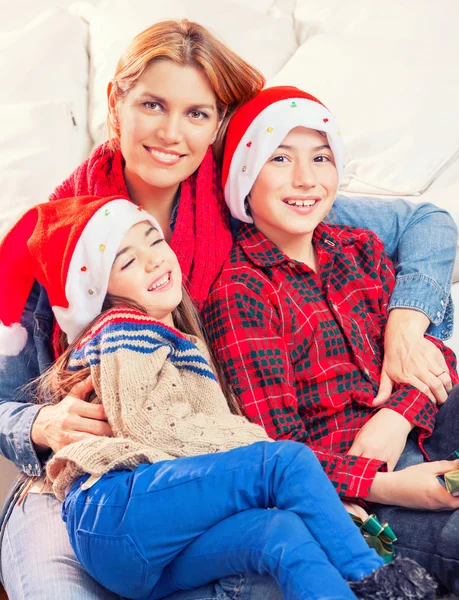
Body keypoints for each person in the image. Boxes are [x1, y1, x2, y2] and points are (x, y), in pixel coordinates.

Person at [0, 19, 456, 600]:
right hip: (77, 480)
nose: (171, 132)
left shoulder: (253, 197)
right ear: (117, 101)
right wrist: (38, 422)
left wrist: (406, 323)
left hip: (218, 469)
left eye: (196, 113)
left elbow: (426, 224)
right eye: (153, 104)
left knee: (284, 561)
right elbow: (5, 400)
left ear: (217, 125)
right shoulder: (56, 238)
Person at [0, 194, 437, 600]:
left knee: (279, 535)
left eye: (155, 241)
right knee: (287, 462)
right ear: (98, 292)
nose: (154, 261)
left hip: (145, 550)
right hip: (114, 507)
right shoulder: (123, 330)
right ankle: (378, 581)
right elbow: (154, 426)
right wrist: (264, 454)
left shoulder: (180, 340)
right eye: (128, 261)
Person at [203, 85, 459, 593]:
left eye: (321, 158)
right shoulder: (241, 291)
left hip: (419, 427)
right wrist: (384, 484)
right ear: (244, 180)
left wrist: (396, 417)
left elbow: (436, 358)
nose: (306, 179)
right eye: (280, 158)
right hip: (356, 496)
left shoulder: (358, 248)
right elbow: (280, 454)